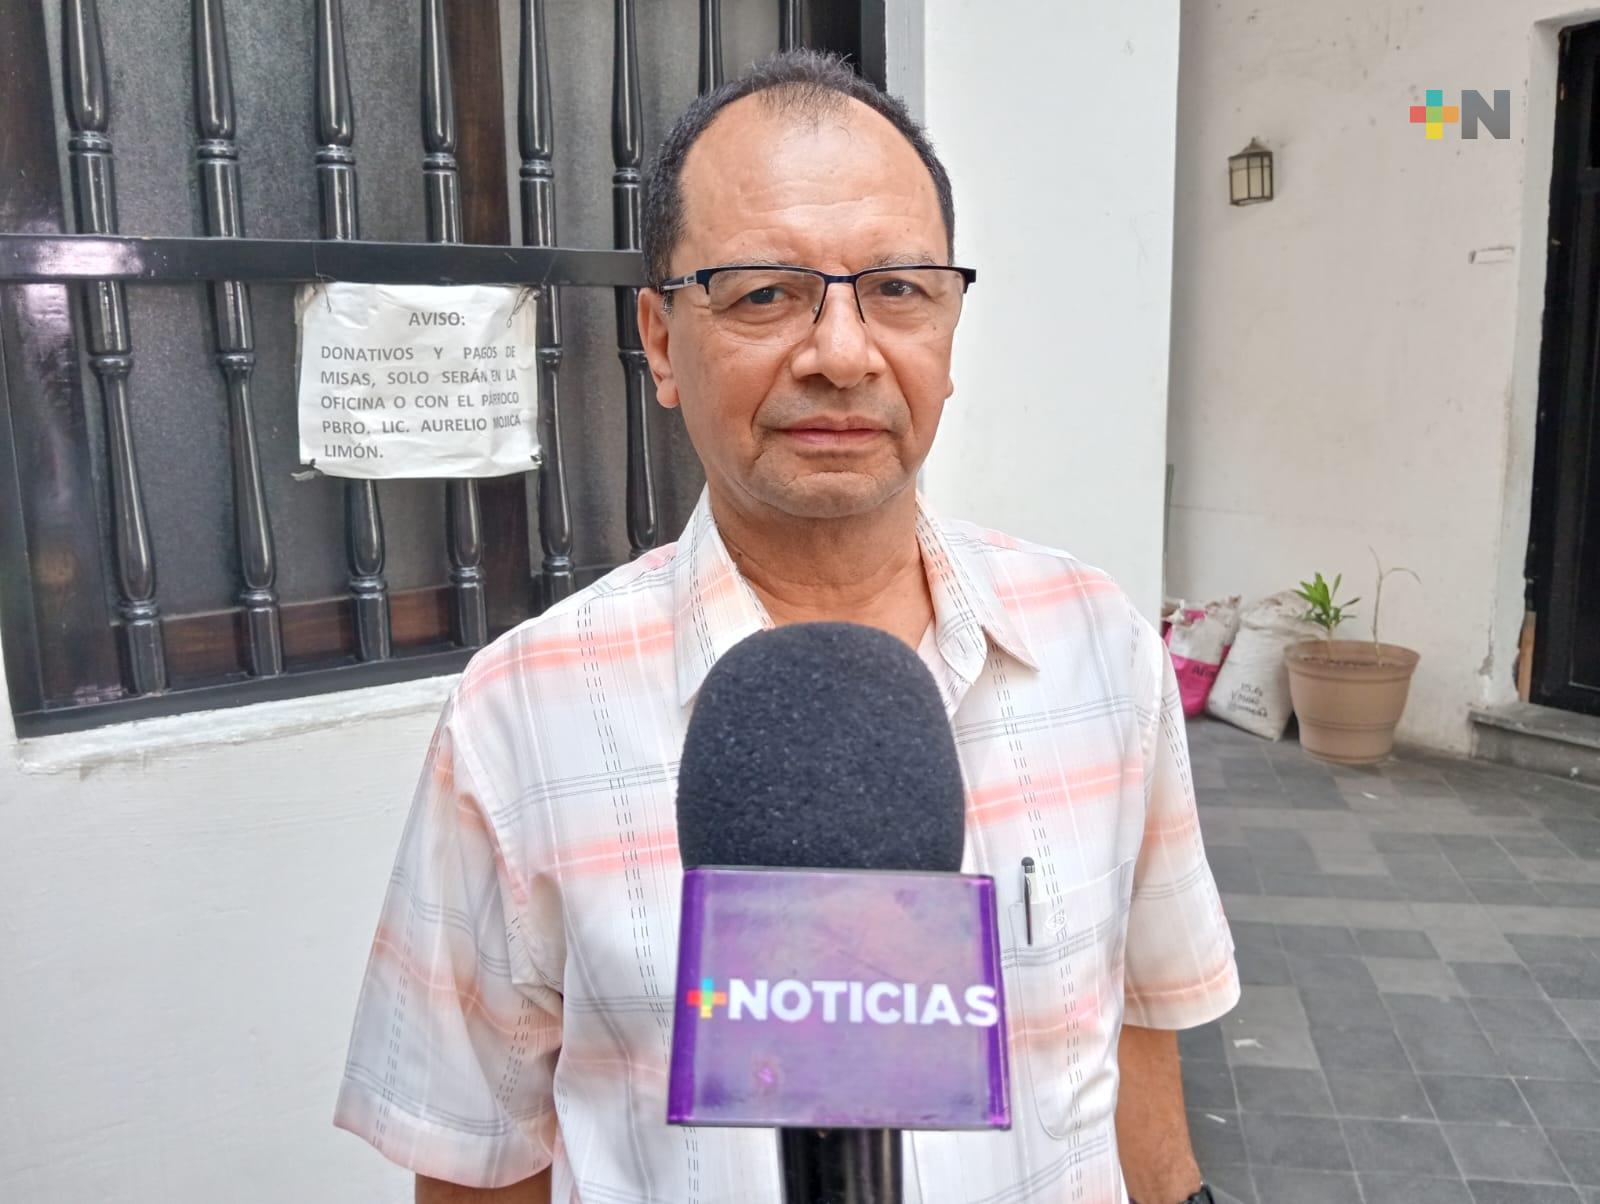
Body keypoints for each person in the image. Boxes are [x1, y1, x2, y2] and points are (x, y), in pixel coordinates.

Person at [333, 49, 1238, 1204]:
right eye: (764, 292)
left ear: (950, 327)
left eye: (900, 289)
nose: (844, 353)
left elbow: (1137, 1020)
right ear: (660, 342)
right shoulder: (522, 715)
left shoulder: (1095, 645)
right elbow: (477, 1161)